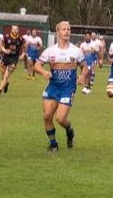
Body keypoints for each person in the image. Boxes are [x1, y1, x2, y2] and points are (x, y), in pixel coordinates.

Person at [34, 21, 87, 151]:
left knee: (60, 118)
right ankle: (53, 145)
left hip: (68, 89)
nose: (66, 31)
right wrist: (44, 71)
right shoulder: (50, 51)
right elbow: (36, 65)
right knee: (47, 116)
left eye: (68, 29)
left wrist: (82, 77)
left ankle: (69, 131)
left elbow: (85, 66)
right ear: (58, 32)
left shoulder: (76, 51)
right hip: (53, 87)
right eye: (63, 29)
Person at [0, 25, 25, 97]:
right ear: (11, 30)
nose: (15, 30)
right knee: (3, 75)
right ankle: (6, 84)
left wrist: (23, 54)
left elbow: (25, 46)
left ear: (18, 30)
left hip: (14, 59)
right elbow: (0, 44)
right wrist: (4, 50)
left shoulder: (21, 39)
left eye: (16, 29)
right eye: (14, 29)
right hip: (5, 58)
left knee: (6, 76)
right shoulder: (6, 37)